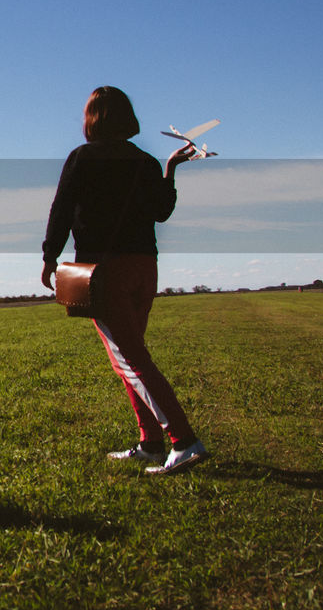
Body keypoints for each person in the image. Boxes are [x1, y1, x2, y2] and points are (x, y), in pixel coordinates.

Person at [41, 86, 209, 475]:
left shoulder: (81, 158)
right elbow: (161, 212)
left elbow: (61, 208)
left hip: (104, 270)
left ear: (92, 119)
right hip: (144, 267)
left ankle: (184, 441)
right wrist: (169, 169)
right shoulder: (146, 163)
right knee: (131, 356)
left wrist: (50, 256)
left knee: (130, 359)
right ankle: (149, 444)